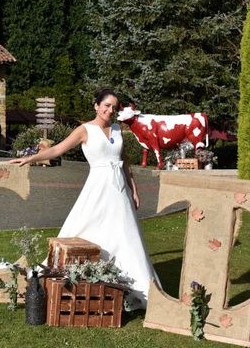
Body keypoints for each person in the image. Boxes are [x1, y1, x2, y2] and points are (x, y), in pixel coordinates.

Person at [9, 88, 158, 310]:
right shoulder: (84, 130)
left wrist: (133, 189)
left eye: (114, 107)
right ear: (96, 106)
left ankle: (137, 289)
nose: (110, 110)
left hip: (119, 192)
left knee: (126, 234)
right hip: (97, 189)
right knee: (84, 228)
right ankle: (76, 277)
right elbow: (57, 149)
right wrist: (31, 158)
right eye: (106, 105)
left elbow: (124, 161)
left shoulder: (118, 129)